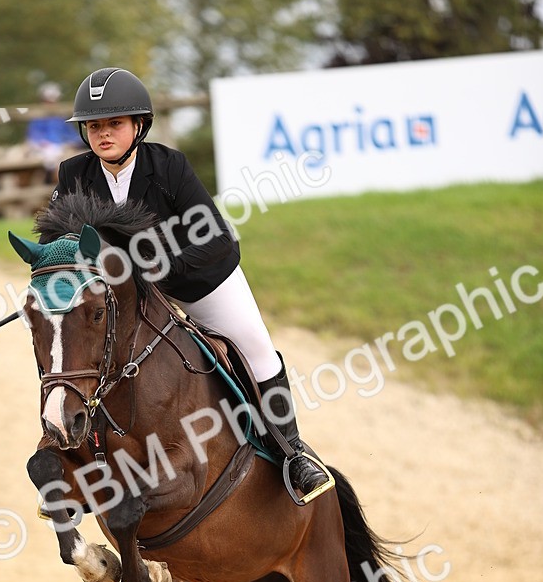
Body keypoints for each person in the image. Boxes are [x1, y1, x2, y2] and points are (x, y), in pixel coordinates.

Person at [55, 66, 331, 504]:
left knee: (255, 347)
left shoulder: (170, 167)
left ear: (138, 126)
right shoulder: (73, 174)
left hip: (198, 280)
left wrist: (158, 268)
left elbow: (218, 239)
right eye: (93, 126)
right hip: (125, 294)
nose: (103, 134)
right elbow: (62, 243)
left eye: (114, 124)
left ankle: (292, 453)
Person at [25, 83, 85, 180]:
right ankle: (61, 188)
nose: (51, 104)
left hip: (63, 148)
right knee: (57, 163)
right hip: (46, 150)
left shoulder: (61, 116)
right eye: (48, 101)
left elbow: (73, 135)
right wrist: (43, 144)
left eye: (53, 101)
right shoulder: (38, 117)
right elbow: (34, 137)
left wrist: (75, 142)